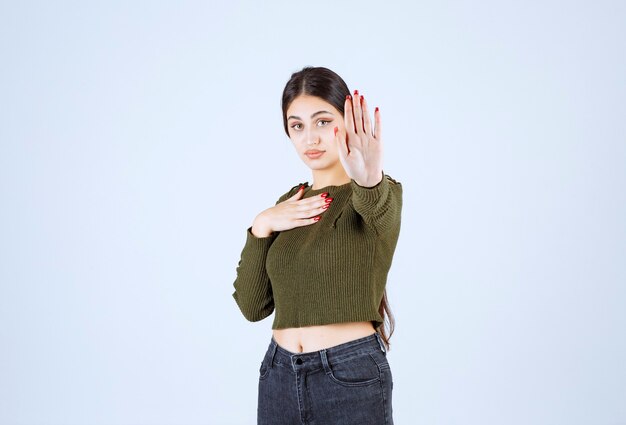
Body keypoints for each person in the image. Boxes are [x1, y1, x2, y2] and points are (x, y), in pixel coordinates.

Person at [231, 66, 402, 425]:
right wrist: (261, 226)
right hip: (278, 373)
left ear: (347, 120)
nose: (310, 137)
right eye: (297, 125)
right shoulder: (288, 203)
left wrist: (369, 179)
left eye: (323, 121)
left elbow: (378, 209)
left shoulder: (376, 194)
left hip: (349, 375)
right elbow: (252, 307)